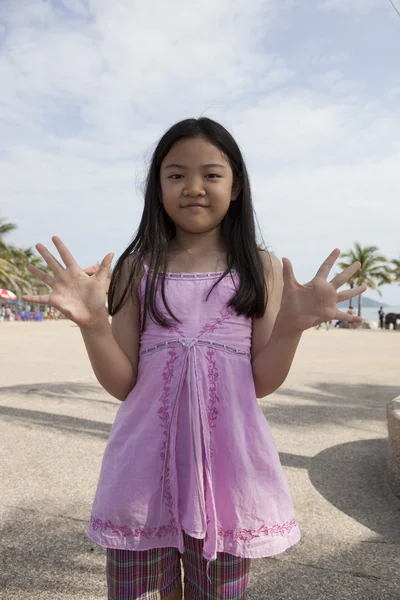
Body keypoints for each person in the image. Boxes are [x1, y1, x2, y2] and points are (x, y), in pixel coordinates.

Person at [22, 118, 366, 600]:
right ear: (157, 186)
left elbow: (260, 381)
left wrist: (290, 327)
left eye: (211, 174)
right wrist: (94, 325)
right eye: (176, 174)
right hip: (143, 473)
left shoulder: (260, 267)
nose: (194, 188)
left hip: (227, 476)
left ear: (237, 184)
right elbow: (125, 383)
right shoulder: (136, 266)